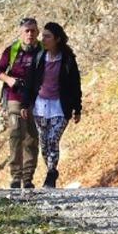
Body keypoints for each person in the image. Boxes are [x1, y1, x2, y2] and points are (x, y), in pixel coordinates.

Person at [24, 22, 82, 189]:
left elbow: (75, 85)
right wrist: (25, 103)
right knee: (43, 143)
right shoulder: (39, 57)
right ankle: (51, 169)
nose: (44, 39)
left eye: (47, 36)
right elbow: (30, 82)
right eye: (43, 36)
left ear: (57, 39)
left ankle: (51, 173)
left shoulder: (67, 60)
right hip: (40, 106)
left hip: (60, 106)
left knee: (53, 139)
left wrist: (77, 108)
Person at [0, 17, 43, 189]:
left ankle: (28, 177)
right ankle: (15, 177)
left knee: (32, 137)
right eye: (26, 31)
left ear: (38, 32)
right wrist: (9, 80)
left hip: (36, 98)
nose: (30, 34)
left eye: (33, 30)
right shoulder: (12, 50)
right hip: (15, 96)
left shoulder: (42, 50)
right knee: (16, 134)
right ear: (21, 32)